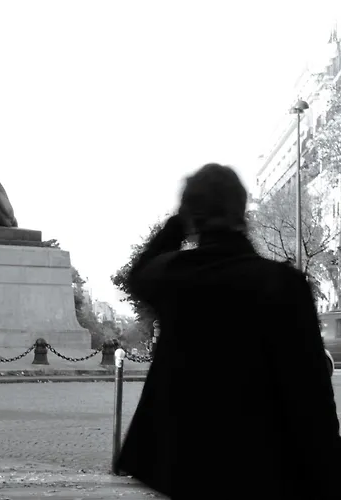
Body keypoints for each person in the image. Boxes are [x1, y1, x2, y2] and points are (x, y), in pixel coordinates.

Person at [116, 163, 341, 499]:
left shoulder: (174, 276)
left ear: (192, 215)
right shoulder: (282, 284)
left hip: (186, 468)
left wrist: (178, 223)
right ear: (241, 210)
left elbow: (138, 274)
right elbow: (311, 393)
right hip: (264, 467)